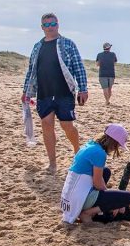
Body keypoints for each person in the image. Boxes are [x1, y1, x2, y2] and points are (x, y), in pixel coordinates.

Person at [22, 12, 88, 174]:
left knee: (67, 125)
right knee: (46, 124)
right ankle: (52, 163)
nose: (50, 27)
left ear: (58, 25)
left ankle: (77, 151)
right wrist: (26, 92)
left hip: (64, 92)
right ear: (42, 27)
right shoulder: (37, 46)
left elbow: (78, 66)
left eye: (53, 24)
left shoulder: (67, 44)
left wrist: (83, 88)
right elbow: (31, 70)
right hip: (44, 92)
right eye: (47, 25)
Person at [60, 123, 130, 225]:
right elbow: (97, 183)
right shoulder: (100, 153)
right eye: (118, 145)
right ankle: (87, 213)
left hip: (70, 196)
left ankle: (90, 208)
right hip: (79, 198)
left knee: (105, 171)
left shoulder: (91, 145)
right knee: (127, 197)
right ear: (114, 143)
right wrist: (112, 203)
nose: (117, 148)